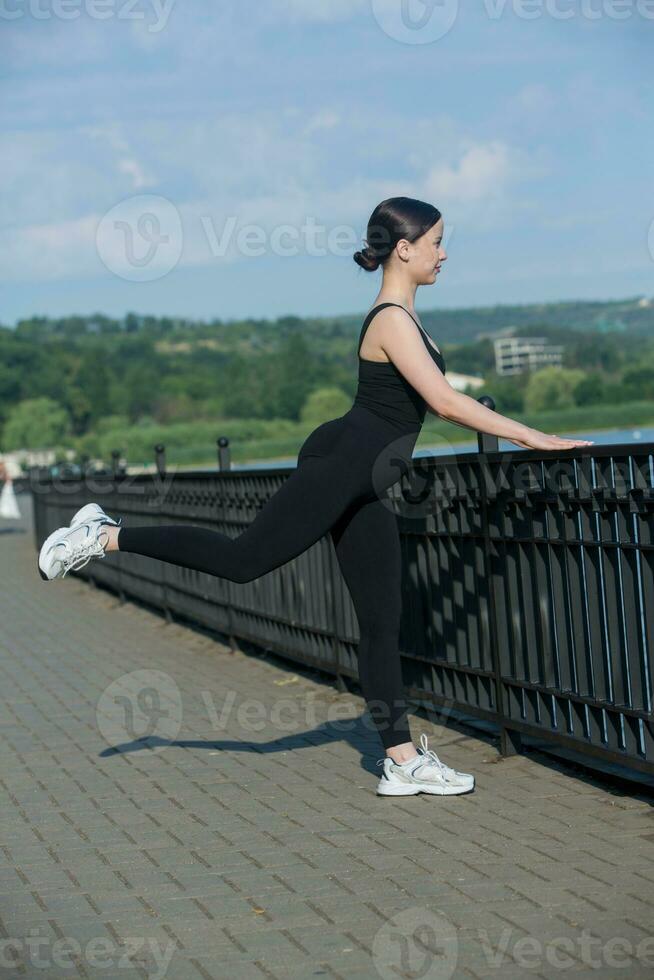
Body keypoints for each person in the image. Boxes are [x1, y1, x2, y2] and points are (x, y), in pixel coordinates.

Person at [38, 196, 593, 796]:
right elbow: (444, 403)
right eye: (436, 242)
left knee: (382, 622)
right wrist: (535, 438)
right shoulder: (390, 319)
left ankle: (401, 760)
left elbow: (424, 406)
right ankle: (104, 533)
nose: (443, 252)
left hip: (367, 482)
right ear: (403, 250)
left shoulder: (410, 320)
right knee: (243, 561)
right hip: (341, 466)